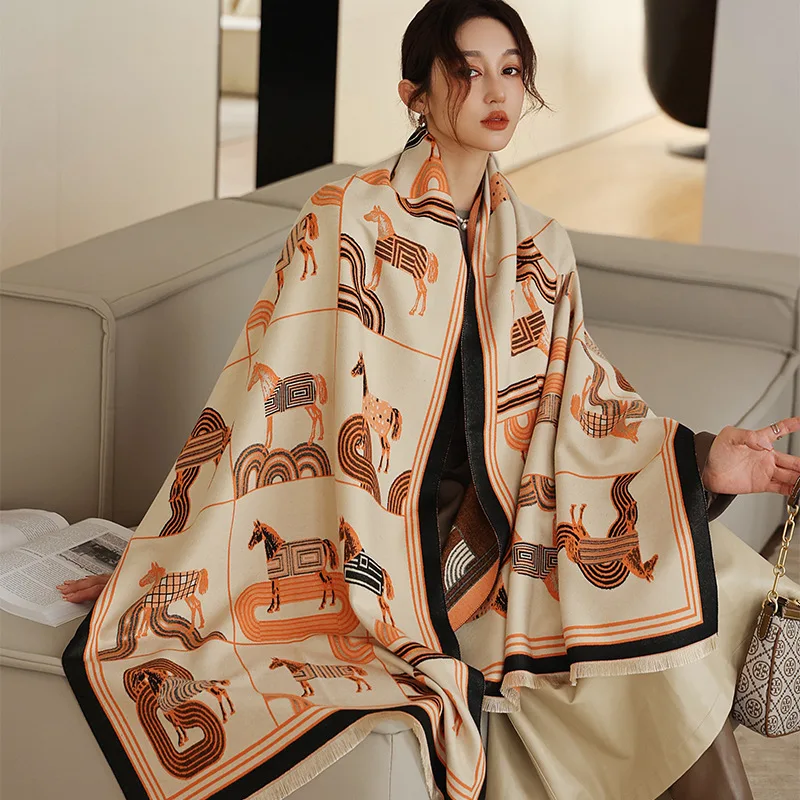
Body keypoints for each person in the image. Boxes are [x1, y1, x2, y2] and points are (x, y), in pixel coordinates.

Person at [60, 2, 800, 799]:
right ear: (414, 94)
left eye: (511, 70)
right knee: (655, 633)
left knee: (698, 577)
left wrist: (701, 459)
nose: (496, 91)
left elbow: (583, 404)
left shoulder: (540, 244)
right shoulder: (346, 218)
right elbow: (264, 401)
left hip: (518, 513)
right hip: (396, 544)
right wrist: (176, 561)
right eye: (467, 71)